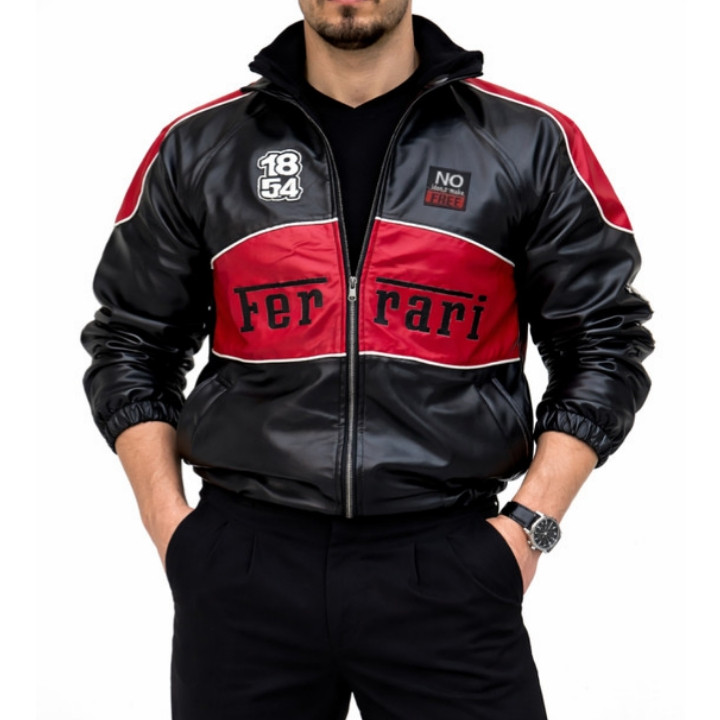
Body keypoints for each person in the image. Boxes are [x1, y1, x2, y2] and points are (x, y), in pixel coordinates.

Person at [81, 1, 654, 718]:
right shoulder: (200, 145)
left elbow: (604, 339)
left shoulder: (528, 142)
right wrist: (173, 529)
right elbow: (131, 342)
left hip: (448, 562)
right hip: (243, 567)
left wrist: (528, 531)